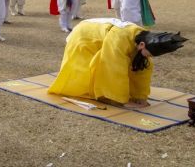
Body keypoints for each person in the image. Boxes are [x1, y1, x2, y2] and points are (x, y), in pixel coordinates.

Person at [48, 18, 187, 108]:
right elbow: (114, 69)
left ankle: (109, 93)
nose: (149, 57)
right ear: (142, 45)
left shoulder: (141, 39)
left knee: (143, 64)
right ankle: (106, 96)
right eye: (149, 53)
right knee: (83, 74)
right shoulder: (120, 38)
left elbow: (143, 69)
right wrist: (121, 101)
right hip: (84, 36)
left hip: (101, 36)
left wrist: (140, 97)